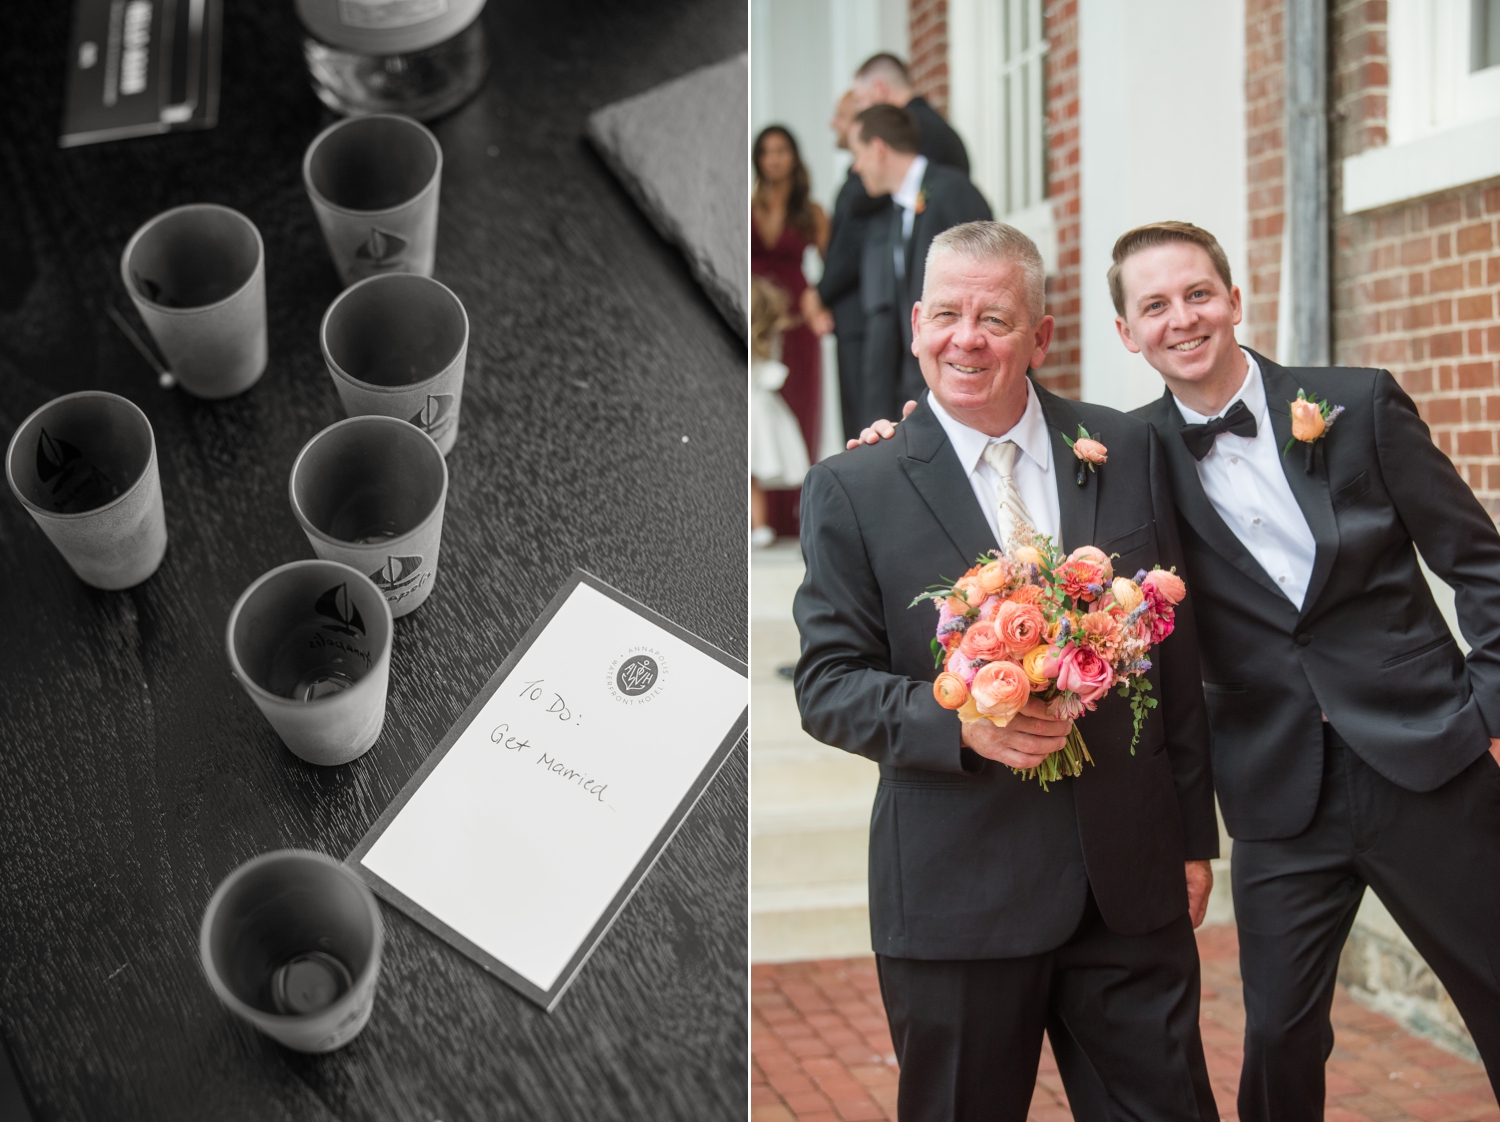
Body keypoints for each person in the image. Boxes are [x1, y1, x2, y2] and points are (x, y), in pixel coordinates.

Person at [854, 220, 1500, 1119]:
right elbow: (981, 434)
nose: (1181, 319)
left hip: (1429, 756)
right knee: (1277, 1035)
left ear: (1234, 300)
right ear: (1125, 333)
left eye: (1198, 294)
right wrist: (905, 434)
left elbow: (1482, 564)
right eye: (1153, 305)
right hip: (1278, 792)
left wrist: (1487, 713)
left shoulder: (1358, 404)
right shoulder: (1131, 449)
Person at [794, 220, 1220, 1121]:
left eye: (994, 317)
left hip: (1129, 885)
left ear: (1042, 335)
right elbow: (827, 683)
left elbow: (1175, 661)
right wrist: (962, 725)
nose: (966, 338)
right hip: (959, 896)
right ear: (914, 324)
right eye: (946, 313)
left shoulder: (1128, 449)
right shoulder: (854, 488)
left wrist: (1191, 837)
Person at [849, 104, 989, 426]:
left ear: (878, 148)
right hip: (921, 384)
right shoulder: (896, 213)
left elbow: (984, 281)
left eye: (858, 153)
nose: (856, 167)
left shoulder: (952, 191)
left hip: (963, 379)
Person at [752, 125, 829, 539]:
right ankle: (756, 516)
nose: (774, 159)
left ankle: (793, 518)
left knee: (798, 410)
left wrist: (817, 301)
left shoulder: (811, 213)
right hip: (755, 320)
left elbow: (831, 269)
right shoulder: (746, 206)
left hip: (796, 322)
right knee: (755, 410)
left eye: (781, 150)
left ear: (794, 157)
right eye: (766, 151)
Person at [751, 278, 810, 548]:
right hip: (761, 407)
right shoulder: (768, 339)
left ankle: (760, 526)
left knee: (751, 475)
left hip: (755, 408)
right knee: (753, 475)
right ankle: (761, 526)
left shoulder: (763, 340)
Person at [851, 52, 970, 176]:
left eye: (860, 100)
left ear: (881, 89)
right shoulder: (928, 122)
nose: (859, 110)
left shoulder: (910, 130)